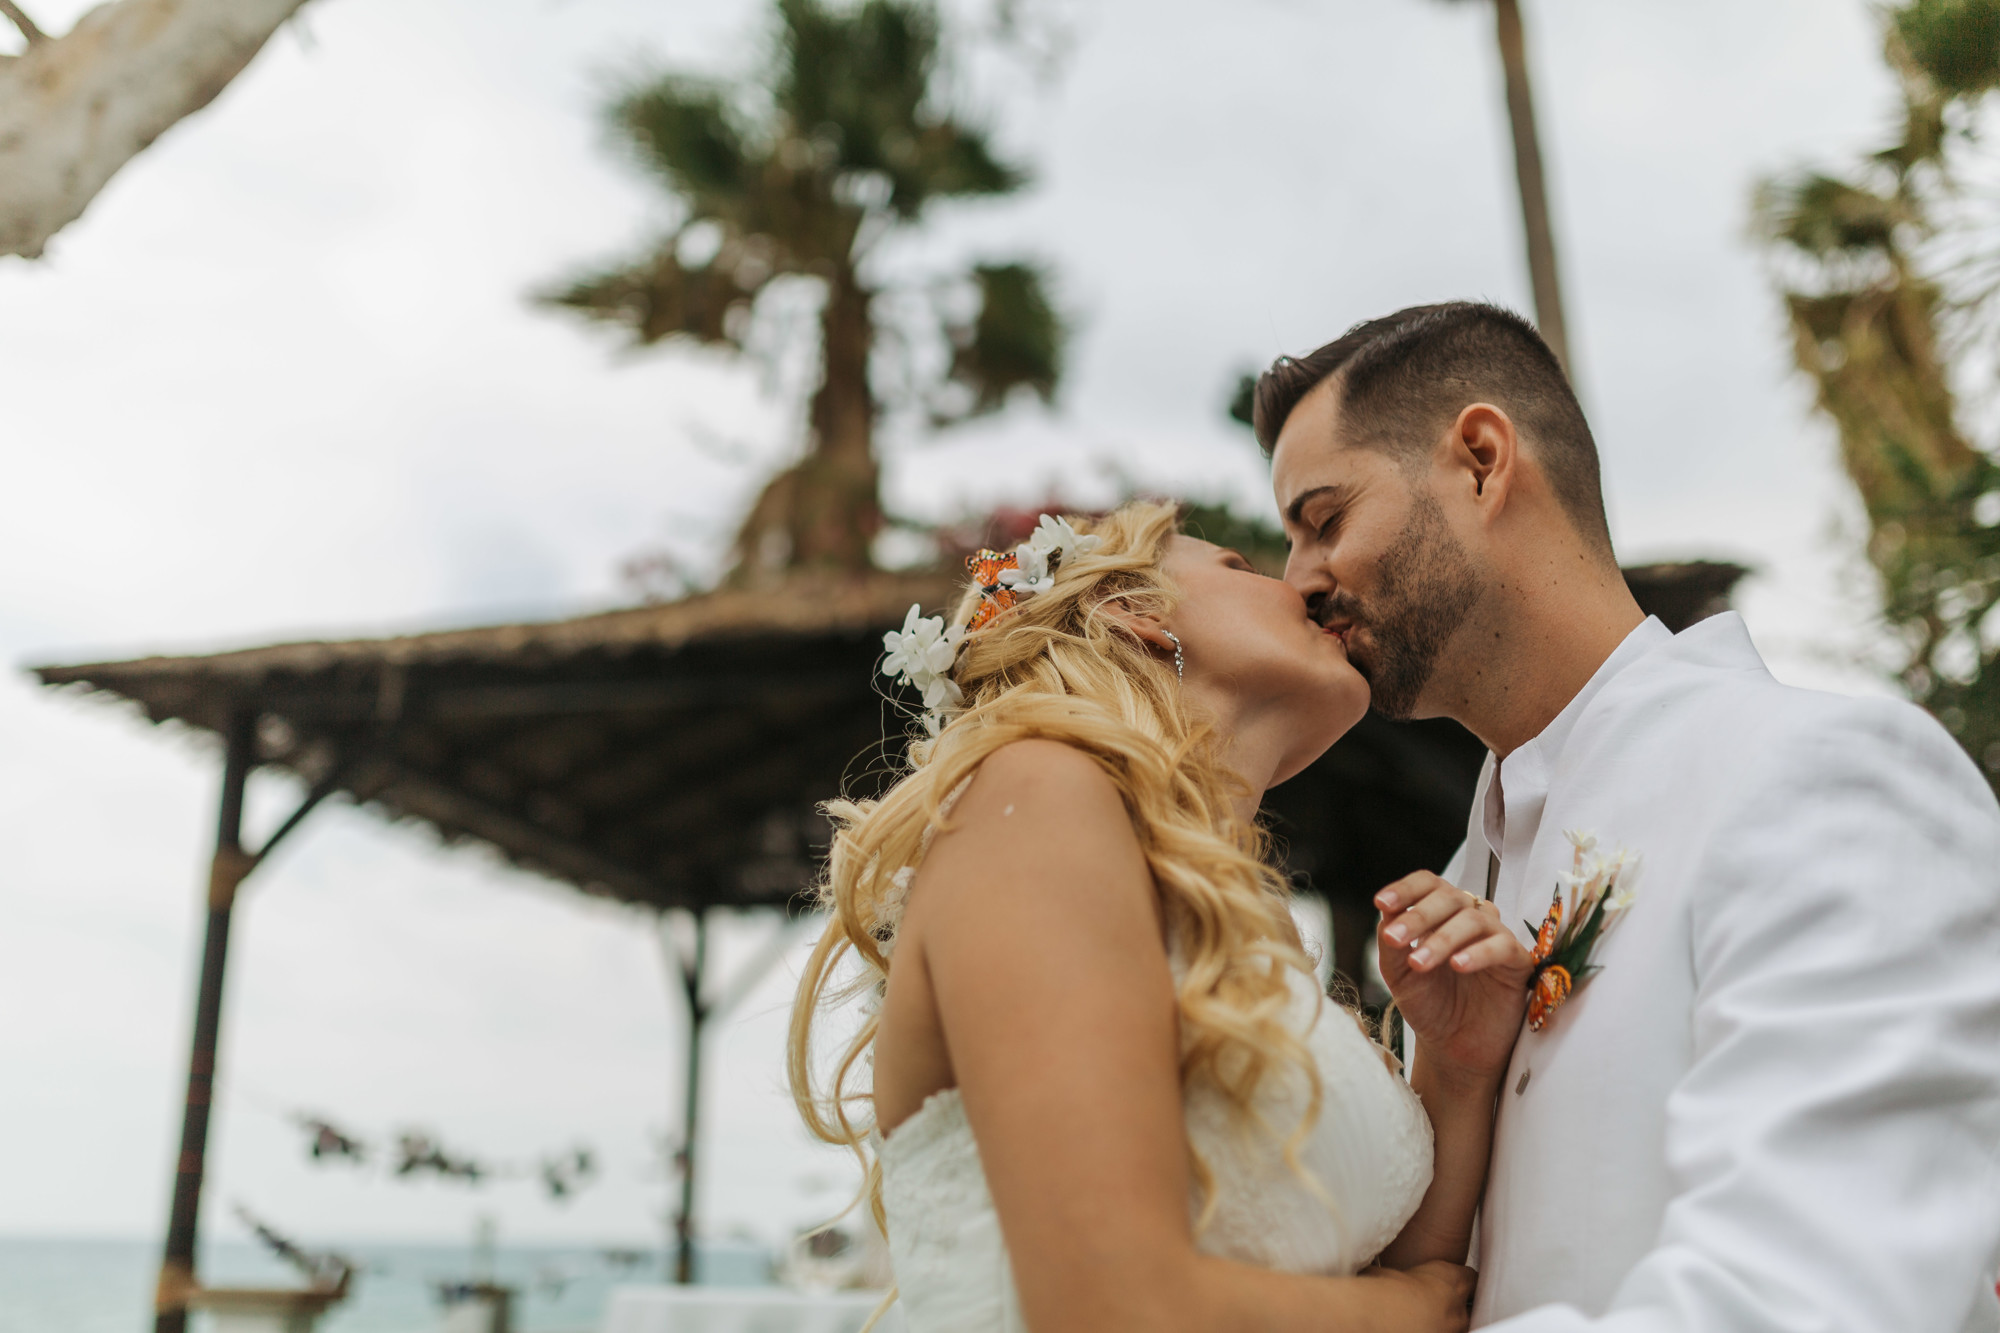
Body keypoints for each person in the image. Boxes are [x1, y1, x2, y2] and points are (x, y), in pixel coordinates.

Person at [1255, 300, 2000, 1331]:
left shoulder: (1814, 775)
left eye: (1322, 518)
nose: (1297, 583)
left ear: (1479, 458)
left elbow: (1814, 1293)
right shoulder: (1453, 891)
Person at [789, 501, 1534, 1333]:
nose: (1306, 587)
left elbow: (1384, 1279)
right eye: (1241, 568)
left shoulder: (1237, 933)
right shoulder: (1037, 794)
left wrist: (1459, 1068)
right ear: (1133, 614)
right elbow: (1107, 1308)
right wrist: (1393, 1313)